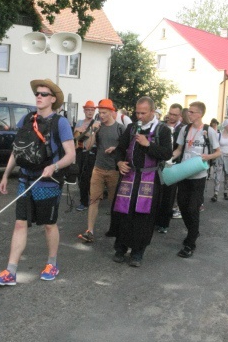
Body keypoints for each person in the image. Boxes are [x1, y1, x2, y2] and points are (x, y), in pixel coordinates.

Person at [0, 79, 75, 286]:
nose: (39, 96)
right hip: (25, 179)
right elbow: (17, 150)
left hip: (48, 181)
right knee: (20, 224)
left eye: (44, 94)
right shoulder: (27, 119)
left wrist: (54, 167)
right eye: (37, 93)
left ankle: (52, 263)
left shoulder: (60, 123)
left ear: (53, 99)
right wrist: (5, 174)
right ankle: (10, 271)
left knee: (48, 225)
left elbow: (71, 155)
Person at [111, 96, 172, 267]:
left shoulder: (163, 130)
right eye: (137, 112)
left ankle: (138, 252)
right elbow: (119, 149)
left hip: (149, 179)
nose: (139, 116)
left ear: (153, 111)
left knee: (143, 216)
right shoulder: (131, 128)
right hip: (129, 177)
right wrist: (119, 162)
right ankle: (120, 248)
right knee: (123, 213)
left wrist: (148, 144)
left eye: (143, 113)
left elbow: (167, 153)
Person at [172, 101, 221, 258]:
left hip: (199, 175)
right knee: (182, 205)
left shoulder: (208, 131)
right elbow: (179, 149)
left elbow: (218, 152)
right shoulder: (185, 129)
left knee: (193, 208)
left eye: (192, 112)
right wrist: (169, 159)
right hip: (184, 173)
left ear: (200, 114)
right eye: (189, 112)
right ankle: (194, 231)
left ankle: (190, 243)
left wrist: (208, 156)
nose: (189, 114)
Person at [77, 99, 123, 243]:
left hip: (114, 170)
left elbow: (126, 148)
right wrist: (92, 131)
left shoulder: (120, 128)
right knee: (94, 199)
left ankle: (116, 229)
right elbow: (88, 147)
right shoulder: (97, 126)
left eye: (104, 113)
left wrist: (116, 149)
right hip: (98, 168)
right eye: (100, 112)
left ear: (111, 112)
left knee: (114, 201)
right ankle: (89, 231)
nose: (101, 115)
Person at [156, 103, 183, 233]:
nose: (171, 117)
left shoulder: (182, 129)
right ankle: (155, 221)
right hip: (158, 164)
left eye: (175, 115)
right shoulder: (160, 126)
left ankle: (164, 224)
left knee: (169, 195)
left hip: (174, 165)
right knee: (157, 193)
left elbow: (181, 149)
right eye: (170, 113)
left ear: (180, 115)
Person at [73, 101, 97, 212]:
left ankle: (89, 201)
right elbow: (75, 135)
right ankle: (84, 201)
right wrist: (77, 130)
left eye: (92, 110)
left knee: (89, 177)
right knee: (80, 176)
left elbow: (94, 135)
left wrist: (85, 132)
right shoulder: (79, 122)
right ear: (84, 111)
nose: (90, 112)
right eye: (88, 110)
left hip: (91, 153)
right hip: (80, 151)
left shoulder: (96, 122)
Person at [211, 119, 228, 201]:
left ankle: (226, 192)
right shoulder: (218, 135)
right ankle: (215, 193)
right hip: (220, 157)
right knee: (217, 176)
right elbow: (215, 147)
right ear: (225, 126)